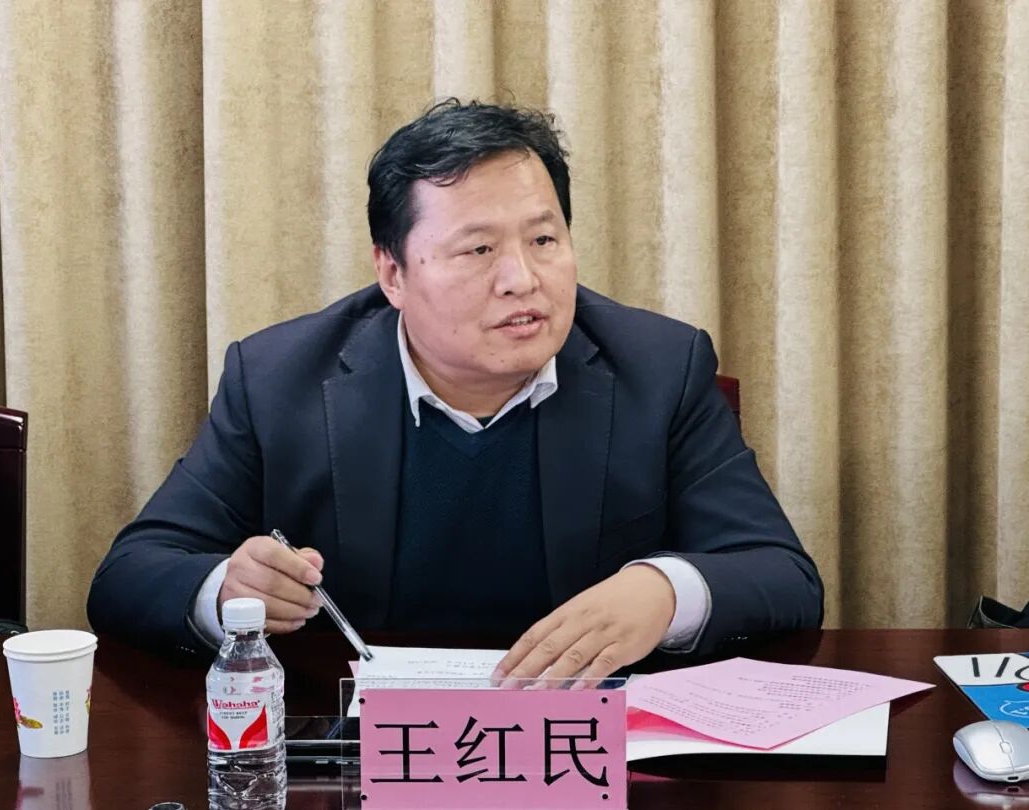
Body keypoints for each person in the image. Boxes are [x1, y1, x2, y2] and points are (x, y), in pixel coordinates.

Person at [87, 100, 823, 681]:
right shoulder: (281, 377)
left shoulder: (659, 367)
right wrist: (226, 590)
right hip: (363, 752)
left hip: (585, 751)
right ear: (393, 274)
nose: (522, 279)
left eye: (544, 239)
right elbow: (132, 573)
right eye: (479, 249)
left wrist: (663, 591)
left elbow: (782, 574)